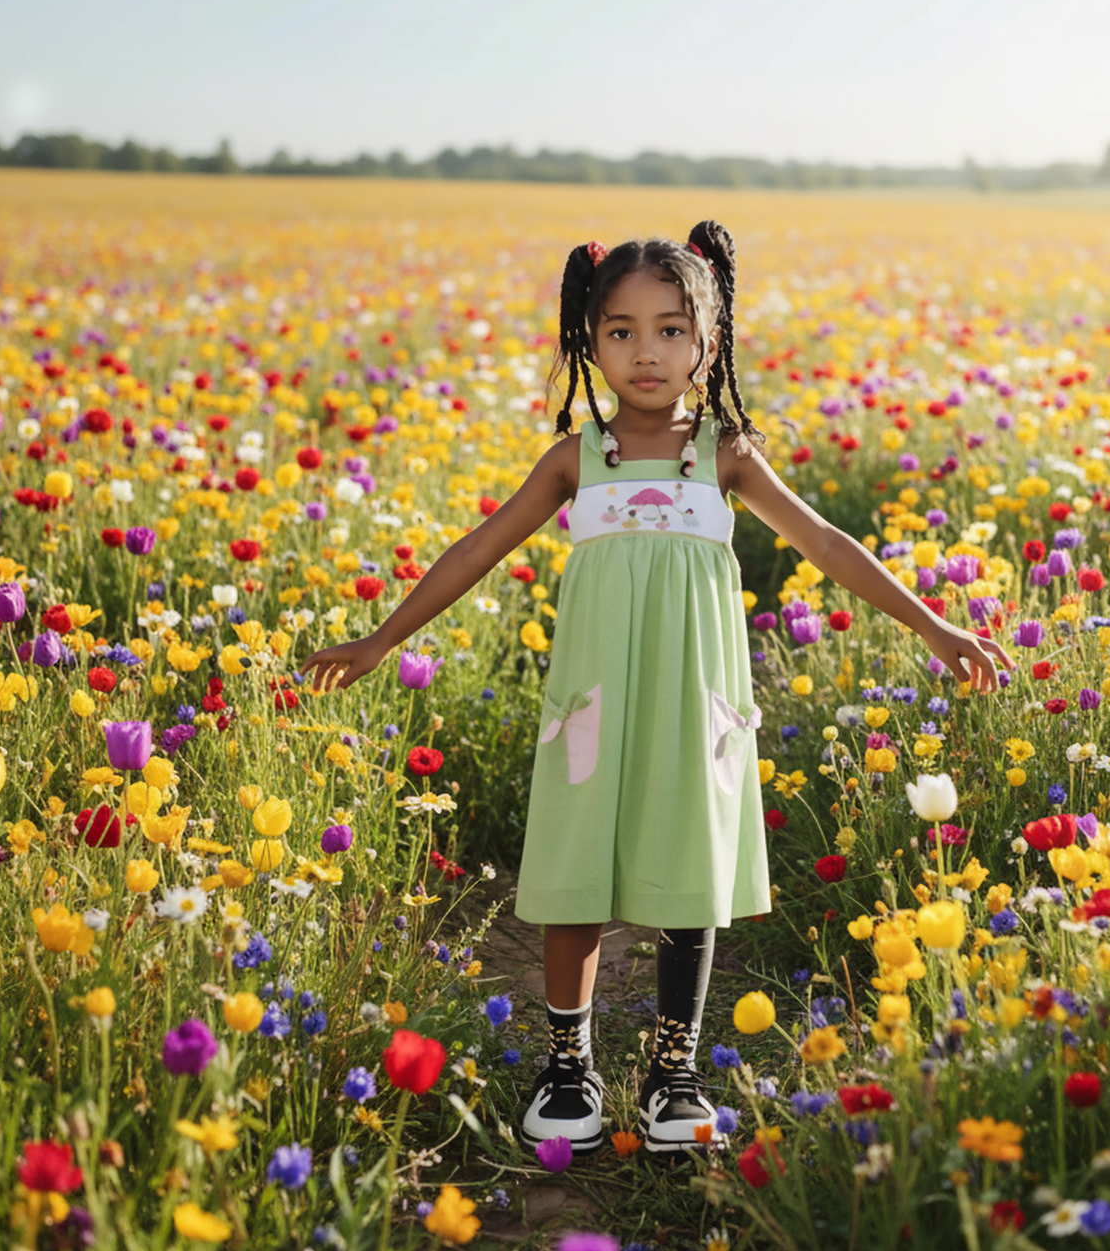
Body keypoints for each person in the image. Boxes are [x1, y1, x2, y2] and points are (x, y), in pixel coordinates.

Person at [297, 219, 1014, 1157]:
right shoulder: (574, 458)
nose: (647, 351)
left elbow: (829, 546)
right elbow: (475, 551)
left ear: (706, 343)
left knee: (689, 875)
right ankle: (569, 1064)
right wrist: (380, 638)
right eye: (622, 330)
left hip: (693, 701)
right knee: (574, 877)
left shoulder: (726, 454)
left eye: (671, 329)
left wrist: (935, 622)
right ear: (586, 342)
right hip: (592, 700)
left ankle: (674, 1070)